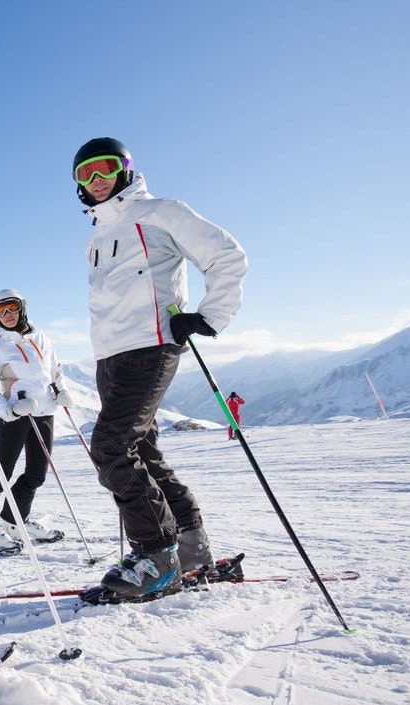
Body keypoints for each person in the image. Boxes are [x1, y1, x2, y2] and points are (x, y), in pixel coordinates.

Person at [73, 137, 248, 600]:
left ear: (125, 169)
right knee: (141, 451)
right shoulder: (95, 235)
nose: (95, 180)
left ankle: (156, 555)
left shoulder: (159, 212)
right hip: (110, 357)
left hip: (150, 347)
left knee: (110, 445)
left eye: (104, 168)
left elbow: (226, 255)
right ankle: (191, 547)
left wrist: (209, 316)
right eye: (84, 174)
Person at [0, 289, 71, 553]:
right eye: (0, 310)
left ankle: (14, 520)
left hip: (44, 413)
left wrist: (61, 390)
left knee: (36, 474)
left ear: (22, 308)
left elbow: (55, 370)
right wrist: (10, 411)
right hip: (16, 416)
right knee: (2, 472)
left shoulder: (42, 337)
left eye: (11, 307)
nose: (7, 315)